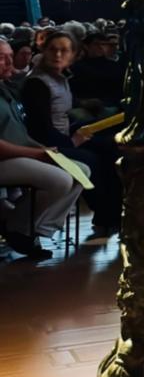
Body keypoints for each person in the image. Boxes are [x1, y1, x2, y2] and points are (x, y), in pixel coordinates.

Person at [21, 30, 119, 239]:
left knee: (110, 147)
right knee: (91, 160)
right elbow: (40, 130)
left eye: (64, 50)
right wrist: (73, 141)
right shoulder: (37, 83)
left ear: (73, 54)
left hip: (62, 137)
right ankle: (107, 215)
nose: (58, 55)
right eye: (53, 49)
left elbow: (63, 110)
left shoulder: (61, 78)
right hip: (45, 145)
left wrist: (86, 110)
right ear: (43, 51)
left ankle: (112, 214)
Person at [0, 61, 80, 259]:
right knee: (60, 180)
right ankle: (18, 228)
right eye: (2, 57)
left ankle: (35, 228)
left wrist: (41, 150)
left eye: (10, 56)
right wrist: (36, 153)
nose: (9, 62)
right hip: (5, 158)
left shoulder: (7, 89)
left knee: (81, 171)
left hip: (21, 152)